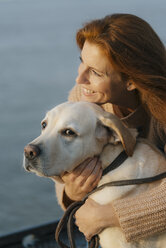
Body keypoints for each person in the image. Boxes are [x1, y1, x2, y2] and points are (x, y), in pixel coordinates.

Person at [55, 13, 166, 242]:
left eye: (95, 72)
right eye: (81, 62)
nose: (80, 80)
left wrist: (108, 216)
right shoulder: (84, 100)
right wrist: (71, 192)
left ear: (131, 80)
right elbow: (63, 166)